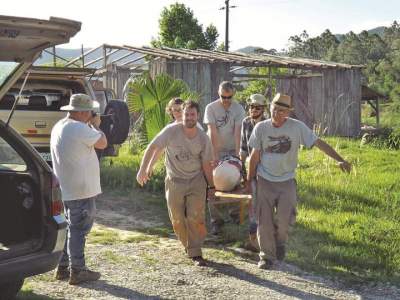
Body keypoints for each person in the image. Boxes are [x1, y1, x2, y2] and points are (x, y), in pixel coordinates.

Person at [247, 93, 351, 270]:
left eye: (282, 110)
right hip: (264, 179)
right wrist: (249, 181)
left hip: (287, 180)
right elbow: (254, 157)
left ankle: (280, 243)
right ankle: (266, 257)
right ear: (270, 107)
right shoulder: (261, 128)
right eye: (275, 108)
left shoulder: (297, 128)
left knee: (284, 219)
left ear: (288, 113)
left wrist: (339, 159)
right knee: (264, 221)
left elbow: (319, 143)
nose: (277, 113)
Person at [137, 100, 215, 267]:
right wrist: (143, 168)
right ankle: (188, 245)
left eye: (192, 114)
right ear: (181, 114)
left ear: (198, 116)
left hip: (196, 180)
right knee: (177, 219)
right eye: (186, 114)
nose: (189, 117)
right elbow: (153, 147)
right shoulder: (171, 131)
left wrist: (212, 186)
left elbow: (207, 164)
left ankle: (196, 252)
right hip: (174, 180)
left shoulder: (203, 138)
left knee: (195, 216)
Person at [51, 94, 108, 284]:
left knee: (69, 228)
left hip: (67, 188)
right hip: (81, 190)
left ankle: (62, 267)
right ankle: (78, 270)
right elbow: (103, 143)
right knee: (78, 230)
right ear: (83, 112)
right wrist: (96, 125)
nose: (91, 115)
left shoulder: (60, 125)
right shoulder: (80, 128)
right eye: (90, 112)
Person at [203, 81, 246, 235]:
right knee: (212, 183)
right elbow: (212, 132)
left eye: (229, 97)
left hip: (231, 149)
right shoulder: (211, 108)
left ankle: (235, 213)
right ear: (218, 93)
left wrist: (237, 155)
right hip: (215, 149)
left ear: (233, 94)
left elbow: (238, 132)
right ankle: (216, 220)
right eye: (223, 97)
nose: (226, 100)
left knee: (237, 181)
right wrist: (214, 157)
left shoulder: (239, 108)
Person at [239, 94, 267, 248]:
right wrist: (240, 167)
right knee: (252, 201)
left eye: (257, 107)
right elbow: (243, 148)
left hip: (266, 170)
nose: (253, 110)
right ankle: (253, 236)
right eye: (251, 107)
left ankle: (264, 239)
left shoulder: (268, 124)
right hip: (251, 169)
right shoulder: (246, 122)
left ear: (263, 109)